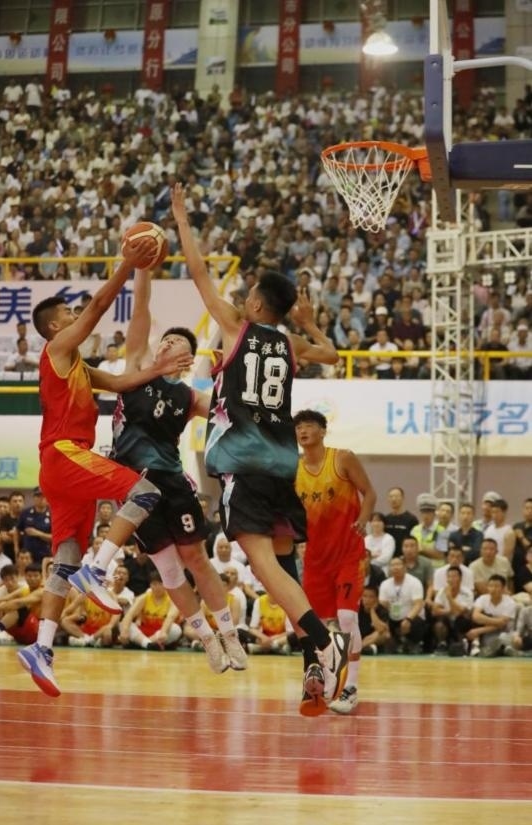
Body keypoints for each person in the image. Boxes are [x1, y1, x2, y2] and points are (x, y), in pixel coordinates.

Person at [171, 182, 348, 717]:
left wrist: (182, 219)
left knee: (263, 564)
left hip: (244, 464)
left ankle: (325, 642)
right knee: (285, 567)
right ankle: (312, 662)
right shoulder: (290, 344)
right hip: (281, 464)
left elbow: (198, 272)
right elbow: (333, 355)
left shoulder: (236, 326)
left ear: (253, 304)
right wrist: (308, 322)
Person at [17, 249, 194, 697]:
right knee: (145, 491)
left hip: (62, 466)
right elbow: (98, 306)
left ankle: (41, 648)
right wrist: (129, 264)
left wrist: (158, 369)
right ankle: (97, 571)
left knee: (66, 556)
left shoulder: (78, 365)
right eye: (68, 313)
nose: (76, 315)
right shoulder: (57, 349)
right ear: (55, 327)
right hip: (64, 454)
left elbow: (117, 384)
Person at [108, 267, 248, 673]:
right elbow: (141, 307)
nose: (166, 343)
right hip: (132, 485)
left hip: (171, 481)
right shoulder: (136, 366)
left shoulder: (188, 396)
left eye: (176, 342)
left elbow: (231, 414)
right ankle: (206, 638)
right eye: (165, 339)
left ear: (186, 360)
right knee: (168, 568)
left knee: (196, 559)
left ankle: (229, 634)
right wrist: (142, 266)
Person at [294, 409, 377, 715]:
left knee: (347, 618)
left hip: (348, 553)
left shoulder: (342, 458)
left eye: (309, 426)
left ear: (322, 431)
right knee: (317, 625)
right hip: (316, 559)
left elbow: (370, 493)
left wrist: (363, 519)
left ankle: (351, 687)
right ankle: (330, 680)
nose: (303, 431)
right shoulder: (294, 469)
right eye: (299, 427)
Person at [383, 487, 418, 558]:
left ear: (403, 498)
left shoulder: (411, 519)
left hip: (404, 558)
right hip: (388, 557)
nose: (393, 499)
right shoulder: (385, 519)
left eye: (396, 496)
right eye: (391, 497)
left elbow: (414, 540)